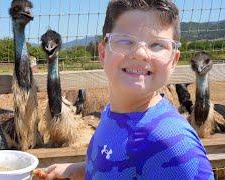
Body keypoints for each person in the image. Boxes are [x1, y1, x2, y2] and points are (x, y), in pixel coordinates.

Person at [38, 0, 214, 179]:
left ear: (174, 60)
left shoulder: (173, 144)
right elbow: (119, 164)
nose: (140, 53)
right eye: (125, 41)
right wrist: (78, 169)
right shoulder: (111, 113)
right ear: (103, 53)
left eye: (157, 44)